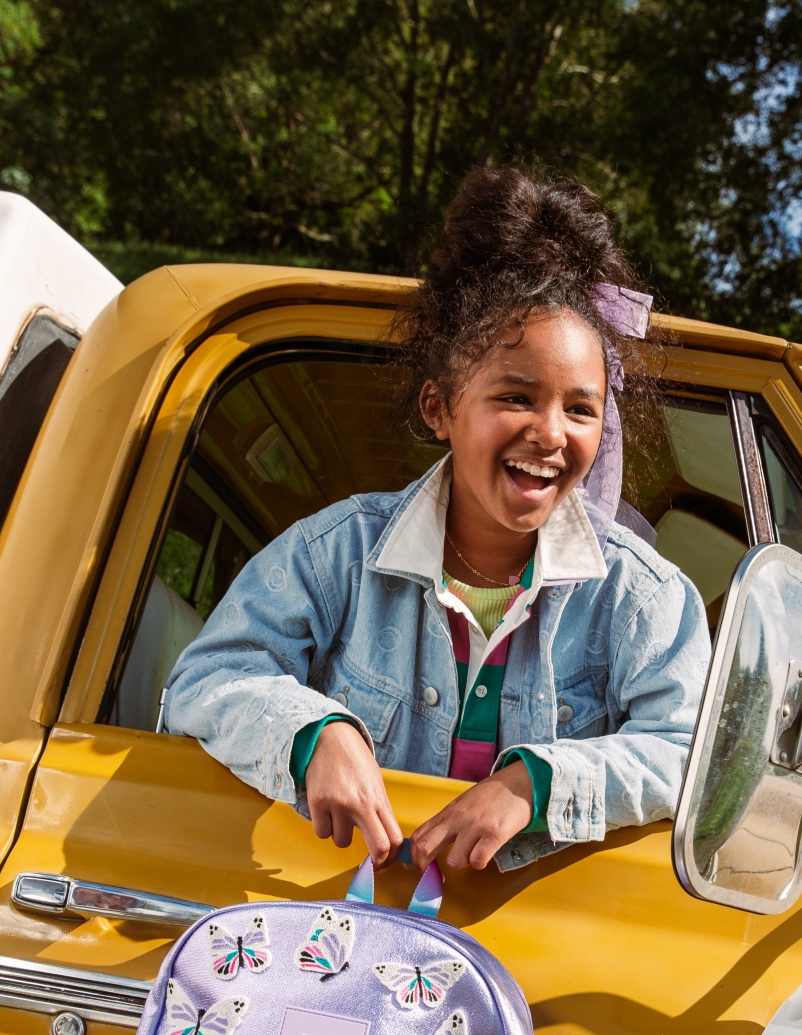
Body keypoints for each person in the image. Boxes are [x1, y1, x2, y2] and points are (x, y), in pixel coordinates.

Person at [164, 167, 710, 874]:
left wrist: (536, 785)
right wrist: (312, 734)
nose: (551, 433)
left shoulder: (643, 598)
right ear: (439, 409)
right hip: (344, 928)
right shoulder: (338, 553)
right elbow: (207, 678)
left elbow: (689, 750)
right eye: (517, 397)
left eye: (580, 409)